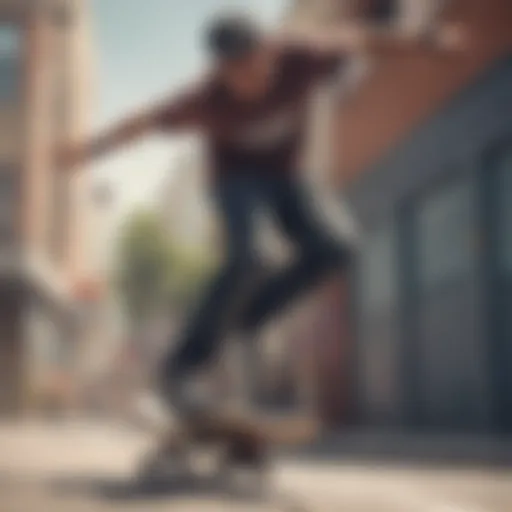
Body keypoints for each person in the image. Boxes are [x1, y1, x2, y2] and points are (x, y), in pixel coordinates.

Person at [59, 12, 466, 417]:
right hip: (235, 182)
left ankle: (249, 318)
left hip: (290, 178)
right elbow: (143, 122)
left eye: (256, 67)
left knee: (337, 245)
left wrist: (426, 40)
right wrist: (90, 150)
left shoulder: (304, 55)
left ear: (269, 51)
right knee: (254, 254)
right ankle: (181, 369)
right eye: (238, 75)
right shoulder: (205, 99)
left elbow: (366, 37)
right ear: (220, 71)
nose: (251, 82)